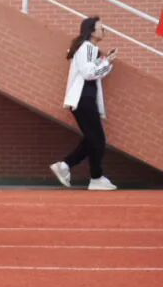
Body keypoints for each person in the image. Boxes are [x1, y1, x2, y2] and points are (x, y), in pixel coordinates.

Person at [50, 16, 118, 191]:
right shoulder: (87, 47)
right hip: (83, 98)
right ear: (91, 31)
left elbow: (93, 70)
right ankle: (95, 177)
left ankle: (66, 166)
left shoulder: (89, 49)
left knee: (93, 139)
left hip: (84, 99)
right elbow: (89, 73)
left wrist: (107, 61)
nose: (104, 31)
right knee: (98, 140)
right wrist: (107, 62)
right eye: (101, 28)